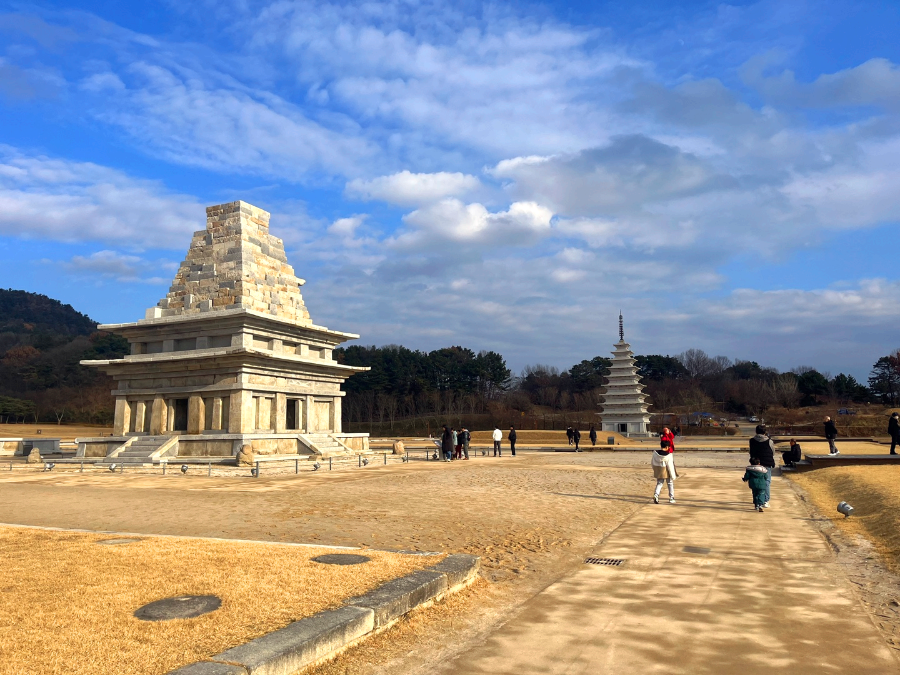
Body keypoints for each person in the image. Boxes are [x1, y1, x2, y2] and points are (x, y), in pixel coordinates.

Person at [748, 424, 775, 508]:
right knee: (766, 482)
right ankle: (765, 500)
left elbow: (751, 451)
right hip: (767, 463)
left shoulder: (752, 440)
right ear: (765, 432)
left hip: (755, 464)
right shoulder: (769, 441)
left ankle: (757, 499)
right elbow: (773, 452)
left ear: (756, 431)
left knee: (755, 482)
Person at [651, 439, 676, 503]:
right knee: (670, 483)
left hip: (659, 469)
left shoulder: (655, 454)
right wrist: (673, 475)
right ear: (667, 447)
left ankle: (656, 495)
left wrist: (655, 469)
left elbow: (652, 462)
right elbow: (670, 466)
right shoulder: (669, 455)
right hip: (666, 470)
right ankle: (671, 497)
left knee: (659, 483)